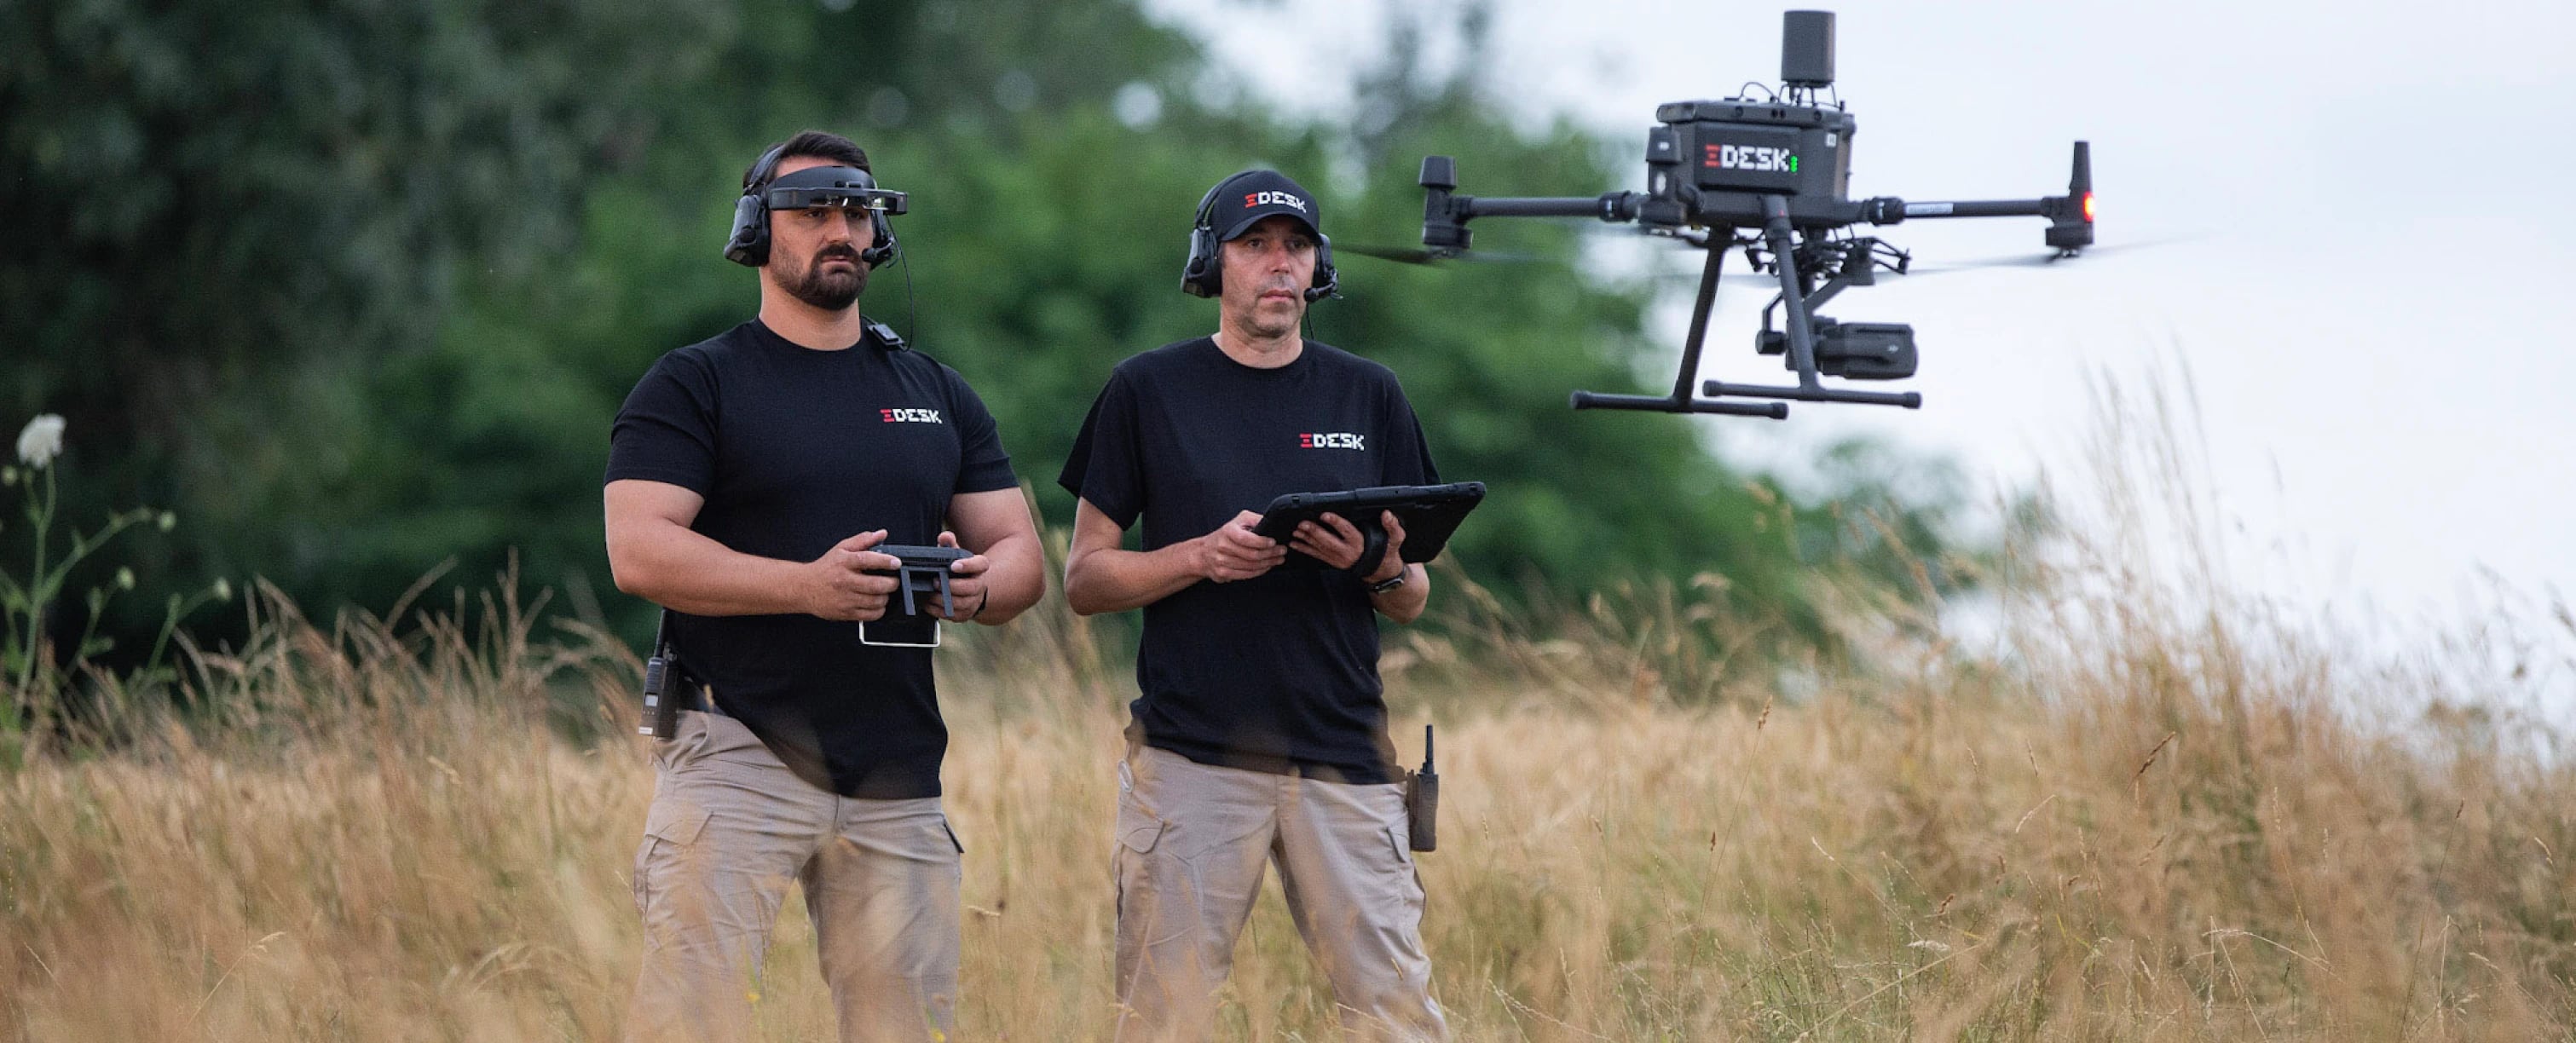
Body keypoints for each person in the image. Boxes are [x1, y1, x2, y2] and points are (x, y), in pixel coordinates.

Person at [604, 130, 1043, 1043]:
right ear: (757, 231)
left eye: (858, 210)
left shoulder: (936, 392)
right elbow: (638, 551)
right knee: (692, 1024)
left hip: (897, 770)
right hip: (737, 752)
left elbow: (1022, 558)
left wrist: (974, 588)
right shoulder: (696, 383)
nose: (840, 228)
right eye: (813, 210)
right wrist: (805, 587)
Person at [1059, 169, 1449, 1041]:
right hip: (1192, 758)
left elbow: (1413, 595)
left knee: (1394, 1017)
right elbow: (1085, 578)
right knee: (1162, 1020)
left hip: (1344, 756)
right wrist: (1200, 557)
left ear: (1319, 267)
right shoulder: (1147, 389)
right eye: (1255, 246)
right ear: (1212, 263)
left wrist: (1371, 569)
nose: (1279, 265)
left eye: (1297, 246)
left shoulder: (1369, 393)